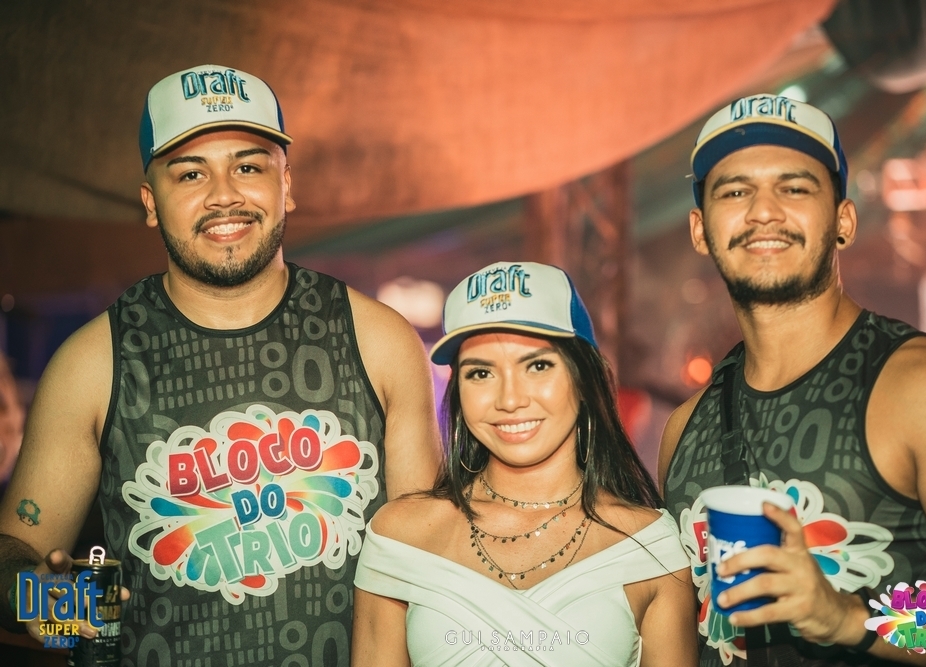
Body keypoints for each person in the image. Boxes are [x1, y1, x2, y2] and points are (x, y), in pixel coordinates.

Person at [0, 64, 441, 664]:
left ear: (287, 184)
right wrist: (41, 599)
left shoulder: (380, 340)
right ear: (151, 203)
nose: (224, 194)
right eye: (190, 173)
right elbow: (16, 550)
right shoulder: (91, 364)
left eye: (248, 167)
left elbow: (428, 570)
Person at [658, 93, 926, 666]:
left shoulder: (925, 388)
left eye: (794, 188)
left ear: (843, 220)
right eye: (735, 192)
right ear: (700, 229)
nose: (763, 211)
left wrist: (850, 618)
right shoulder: (684, 428)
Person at [352, 261, 697, 666]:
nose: (510, 399)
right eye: (481, 373)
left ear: (584, 378)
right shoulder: (399, 537)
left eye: (537, 366)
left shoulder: (650, 548)